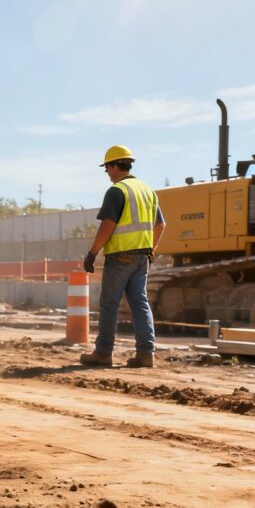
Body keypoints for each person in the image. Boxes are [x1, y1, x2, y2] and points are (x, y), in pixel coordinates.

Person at [80, 146, 165, 368]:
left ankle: (103, 353)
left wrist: (92, 252)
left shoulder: (118, 191)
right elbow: (161, 224)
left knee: (109, 304)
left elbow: (108, 225)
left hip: (121, 257)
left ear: (114, 165)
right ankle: (146, 354)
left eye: (106, 168)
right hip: (142, 257)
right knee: (140, 303)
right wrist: (152, 249)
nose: (107, 173)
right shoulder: (147, 190)